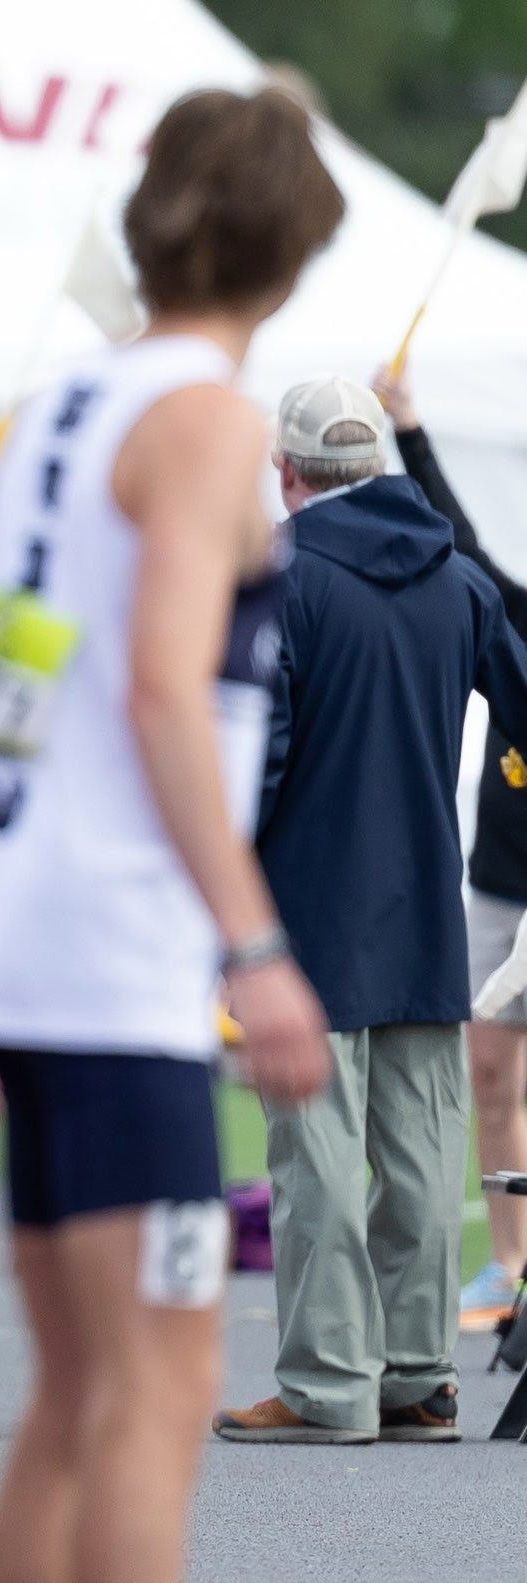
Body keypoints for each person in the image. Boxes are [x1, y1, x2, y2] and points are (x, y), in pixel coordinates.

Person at [0, 88, 345, 1583]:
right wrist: (254, 948)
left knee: (72, 1399)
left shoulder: (47, 414)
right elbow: (172, 696)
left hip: (26, 938)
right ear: (294, 252)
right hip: (116, 957)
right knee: (157, 1397)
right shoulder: (202, 420)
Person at [209, 378, 527, 1445]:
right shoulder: (458, 578)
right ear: (379, 466)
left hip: (307, 910)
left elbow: (260, 755)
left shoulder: (281, 575)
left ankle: (328, 1382)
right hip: (429, 903)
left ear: (286, 473)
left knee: (314, 1157)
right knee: (427, 1155)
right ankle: (420, 1375)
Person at [376, 362, 527, 1330]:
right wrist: (408, 427)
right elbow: (456, 536)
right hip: (500, 885)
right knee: (489, 1069)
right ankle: (508, 1264)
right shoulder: (514, 610)